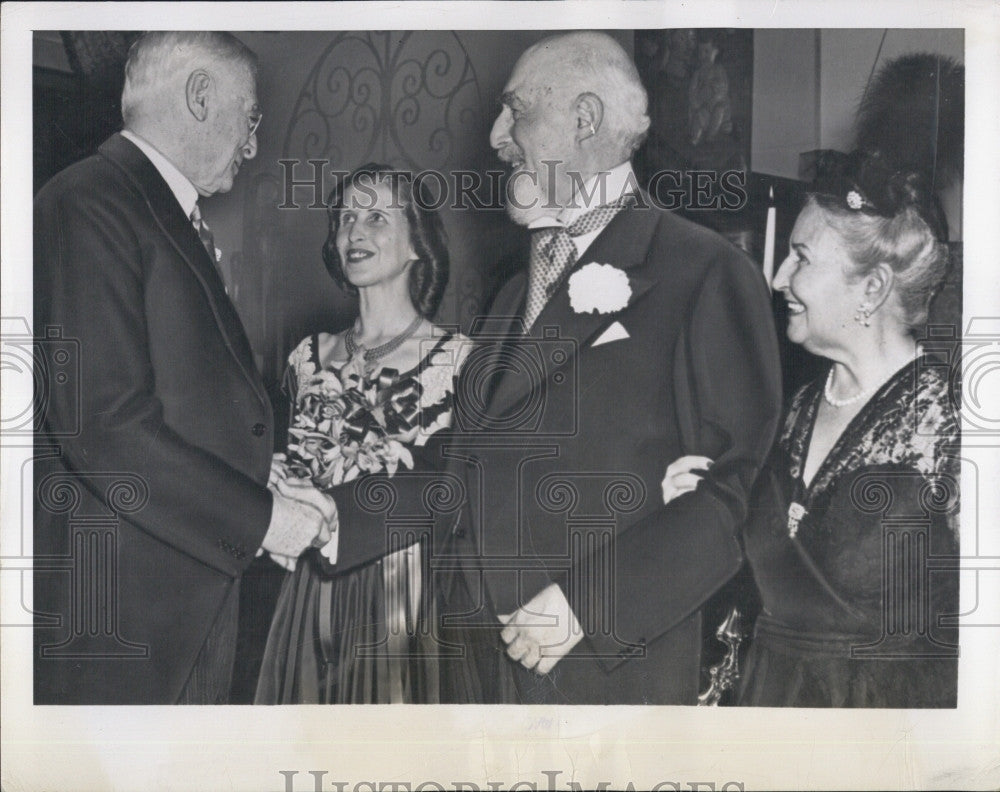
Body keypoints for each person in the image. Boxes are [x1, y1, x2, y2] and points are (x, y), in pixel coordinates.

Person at [437, 31, 783, 705]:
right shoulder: (513, 291)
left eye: (516, 111)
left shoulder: (706, 272)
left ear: (584, 120)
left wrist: (583, 607)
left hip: (603, 671)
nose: (496, 136)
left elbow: (736, 492)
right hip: (474, 665)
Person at [33, 32, 335, 705]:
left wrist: (266, 477)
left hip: (176, 596)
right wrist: (265, 520)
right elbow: (107, 427)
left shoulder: (145, 205)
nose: (253, 145)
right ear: (201, 97)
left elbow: (180, 403)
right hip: (122, 621)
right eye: (250, 118)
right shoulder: (88, 201)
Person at [663, 160, 960, 706]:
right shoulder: (794, 408)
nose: (777, 279)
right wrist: (705, 508)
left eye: (800, 258)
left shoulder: (957, 422)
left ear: (871, 287)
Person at [255, 164, 470, 704]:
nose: (355, 231)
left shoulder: (455, 359)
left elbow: (455, 496)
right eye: (347, 217)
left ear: (417, 243)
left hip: (403, 596)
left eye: (377, 217)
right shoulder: (307, 356)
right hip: (308, 589)